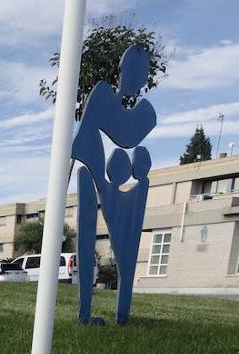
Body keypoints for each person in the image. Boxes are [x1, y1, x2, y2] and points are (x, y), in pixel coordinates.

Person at [71, 46, 157, 325]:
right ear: (122, 70)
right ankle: (85, 312)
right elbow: (124, 134)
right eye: (133, 71)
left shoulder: (140, 111)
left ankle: (119, 312)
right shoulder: (103, 95)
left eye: (142, 74)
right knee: (86, 239)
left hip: (112, 181)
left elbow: (128, 135)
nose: (137, 80)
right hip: (90, 170)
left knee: (124, 247)